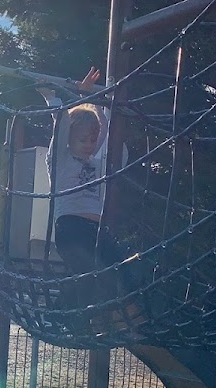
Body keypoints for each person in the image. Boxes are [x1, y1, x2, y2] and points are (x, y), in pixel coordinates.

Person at [38, 68, 146, 333]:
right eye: (82, 139)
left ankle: (128, 316)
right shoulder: (60, 161)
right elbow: (61, 127)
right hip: (71, 229)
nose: (88, 145)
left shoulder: (98, 164)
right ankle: (61, 319)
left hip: (96, 230)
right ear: (71, 140)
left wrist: (102, 102)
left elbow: (110, 140)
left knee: (122, 267)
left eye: (91, 140)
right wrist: (67, 98)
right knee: (86, 276)